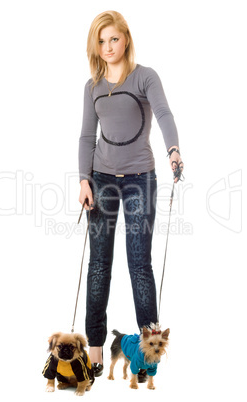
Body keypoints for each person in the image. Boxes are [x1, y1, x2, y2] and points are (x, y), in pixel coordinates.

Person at [78, 10, 183, 378]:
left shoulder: (145, 77)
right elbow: (86, 137)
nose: (108, 47)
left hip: (141, 178)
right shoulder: (92, 86)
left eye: (114, 39)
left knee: (140, 264)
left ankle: (148, 349)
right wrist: (83, 179)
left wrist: (173, 151)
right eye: (101, 41)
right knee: (99, 265)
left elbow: (165, 114)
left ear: (126, 39)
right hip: (101, 179)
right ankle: (94, 349)